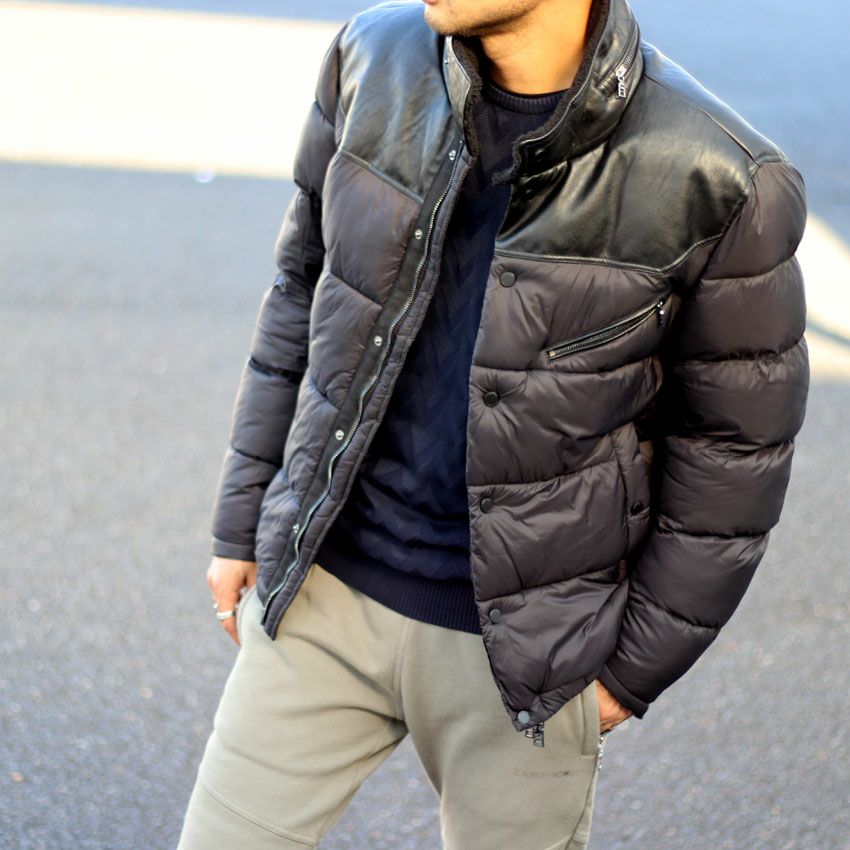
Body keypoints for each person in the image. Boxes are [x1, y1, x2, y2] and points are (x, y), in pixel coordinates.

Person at [177, 0, 809, 847]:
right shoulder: (370, 57)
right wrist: (243, 517)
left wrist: (630, 672)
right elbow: (304, 290)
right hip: (324, 591)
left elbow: (735, 454)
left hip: (528, 660)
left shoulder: (718, 174)